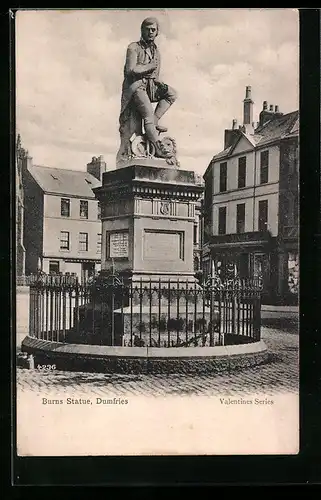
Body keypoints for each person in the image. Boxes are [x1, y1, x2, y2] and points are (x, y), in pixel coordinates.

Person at [117, 17, 177, 162]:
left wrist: (160, 84)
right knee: (147, 116)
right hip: (136, 86)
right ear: (142, 30)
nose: (150, 32)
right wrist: (148, 67)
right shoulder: (133, 47)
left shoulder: (156, 52)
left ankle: (154, 123)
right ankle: (159, 149)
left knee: (172, 94)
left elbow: (155, 76)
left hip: (150, 86)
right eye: (147, 29)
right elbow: (130, 70)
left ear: (157, 32)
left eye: (153, 30)